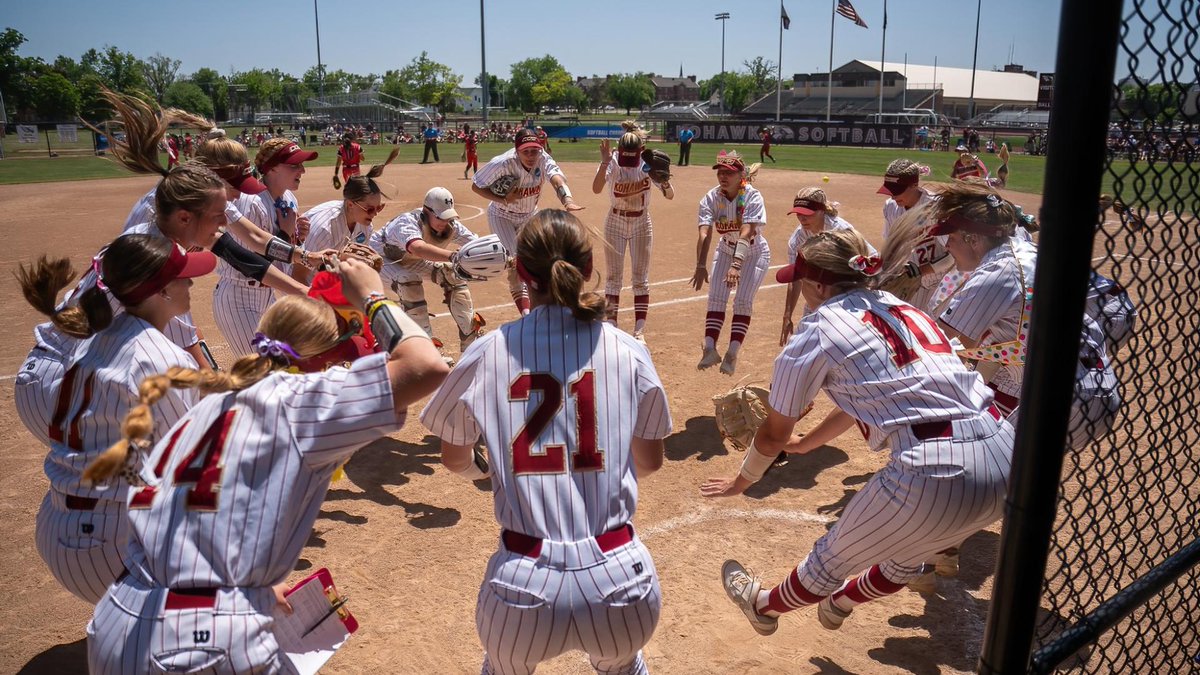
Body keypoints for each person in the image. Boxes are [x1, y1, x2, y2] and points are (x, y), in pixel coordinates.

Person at [85, 259, 450, 674]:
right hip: (198, 646)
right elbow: (426, 365)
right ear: (325, 360)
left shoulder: (208, 404)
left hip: (120, 619)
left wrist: (253, 581)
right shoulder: (302, 400)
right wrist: (373, 297)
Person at [702, 227, 1013, 634]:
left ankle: (763, 608)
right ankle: (841, 604)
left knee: (829, 560)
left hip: (936, 468)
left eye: (801, 279)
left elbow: (773, 434)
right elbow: (875, 397)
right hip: (1006, 454)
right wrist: (805, 445)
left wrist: (743, 480)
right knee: (907, 555)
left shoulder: (816, 330)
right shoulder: (905, 309)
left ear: (816, 283)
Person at [421, 209, 671, 675]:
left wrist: (487, 469)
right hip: (621, 581)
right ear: (589, 269)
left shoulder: (486, 351)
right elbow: (650, 462)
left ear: (521, 273)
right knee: (625, 665)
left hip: (521, 586)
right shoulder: (629, 350)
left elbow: (455, 457)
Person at [17, 235, 213, 604]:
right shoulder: (161, 359)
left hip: (60, 528)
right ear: (161, 292)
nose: (190, 283)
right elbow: (190, 469)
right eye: (182, 277)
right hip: (112, 548)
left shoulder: (93, 336)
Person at [211, 137, 318, 356]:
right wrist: (285, 233)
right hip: (239, 298)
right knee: (264, 371)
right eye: (294, 165)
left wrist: (296, 237)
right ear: (272, 169)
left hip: (267, 297)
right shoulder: (250, 202)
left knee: (288, 365)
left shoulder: (289, 199)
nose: (302, 170)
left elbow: (281, 255)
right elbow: (248, 263)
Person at [471, 128, 584, 315]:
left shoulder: (543, 158)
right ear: (517, 151)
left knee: (540, 258)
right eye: (525, 151)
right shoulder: (502, 163)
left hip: (529, 215)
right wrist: (503, 199)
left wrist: (567, 200)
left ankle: (546, 304)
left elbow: (556, 179)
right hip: (502, 215)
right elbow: (476, 185)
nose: (531, 155)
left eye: (535, 150)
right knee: (516, 262)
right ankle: (526, 314)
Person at [370, 187, 486, 362]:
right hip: (381, 262)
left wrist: (505, 256)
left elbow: (477, 244)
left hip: (411, 260)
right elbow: (418, 248)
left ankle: (470, 341)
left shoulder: (451, 226)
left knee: (451, 274)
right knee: (409, 281)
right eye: (440, 216)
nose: (444, 221)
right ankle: (427, 350)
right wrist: (453, 256)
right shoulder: (407, 222)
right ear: (426, 211)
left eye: (448, 216)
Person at [591, 121, 674, 342]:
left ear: (640, 152)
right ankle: (612, 325)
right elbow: (597, 188)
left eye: (632, 158)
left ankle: (639, 332)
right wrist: (604, 162)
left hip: (641, 223)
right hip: (615, 221)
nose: (629, 163)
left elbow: (670, 195)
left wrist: (664, 181)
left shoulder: (647, 163)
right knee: (613, 277)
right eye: (625, 157)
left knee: (640, 279)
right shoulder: (614, 161)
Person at [690, 150, 769, 375]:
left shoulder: (752, 196)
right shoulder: (711, 197)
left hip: (754, 253)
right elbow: (704, 234)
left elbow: (746, 232)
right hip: (725, 249)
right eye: (720, 172)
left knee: (742, 302)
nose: (723, 177)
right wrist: (700, 265)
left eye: (729, 173)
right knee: (715, 298)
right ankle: (710, 349)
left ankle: (732, 354)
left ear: (741, 175)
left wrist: (736, 265)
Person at [779, 187, 874, 345]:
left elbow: (870, 260)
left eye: (807, 213)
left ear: (822, 210)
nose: (802, 218)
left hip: (847, 295)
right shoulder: (798, 239)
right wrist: (787, 315)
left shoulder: (841, 232)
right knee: (806, 341)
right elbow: (796, 279)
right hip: (817, 294)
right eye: (798, 213)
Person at [294, 147, 399, 284]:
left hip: (328, 283)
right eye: (369, 209)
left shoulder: (365, 226)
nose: (374, 214)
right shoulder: (324, 227)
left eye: (379, 208)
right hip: (303, 287)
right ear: (350, 204)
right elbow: (297, 274)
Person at [877, 158, 950, 312]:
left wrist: (919, 271)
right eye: (891, 191)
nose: (893, 196)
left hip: (941, 283)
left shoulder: (936, 207)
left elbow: (953, 257)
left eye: (898, 191)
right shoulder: (891, 208)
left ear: (914, 185)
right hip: (910, 281)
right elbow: (891, 244)